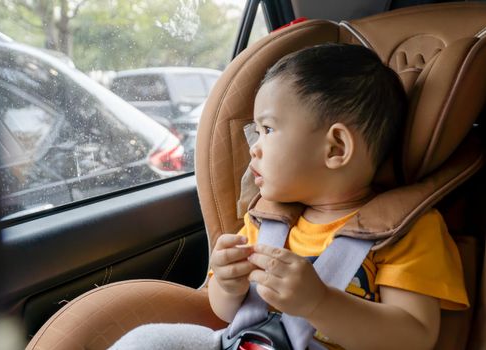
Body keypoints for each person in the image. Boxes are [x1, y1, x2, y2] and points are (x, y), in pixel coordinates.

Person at [109, 43, 469, 350]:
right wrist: (228, 283)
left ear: (335, 147)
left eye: (268, 129)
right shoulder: (267, 220)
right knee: (149, 340)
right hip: (246, 340)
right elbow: (226, 312)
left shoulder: (406, 233)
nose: (254, 149)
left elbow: (415, 336)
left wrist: (320, 302)